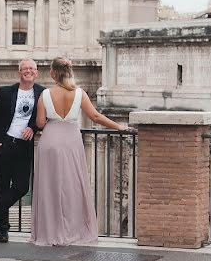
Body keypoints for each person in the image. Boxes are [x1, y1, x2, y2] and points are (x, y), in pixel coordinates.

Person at [30, 57, 134, 246]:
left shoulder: (45, 94)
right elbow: (95, 116)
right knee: (72, 186)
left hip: (50, 141)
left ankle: (50, 230)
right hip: (71, 141)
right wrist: (119, 127)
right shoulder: (79, 93)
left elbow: (39, 123)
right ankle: (72, 229)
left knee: (50, 186)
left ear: (53, 73)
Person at [0, 59, 45, 243]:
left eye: (31, 68)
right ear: (19, 73)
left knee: (22, 186)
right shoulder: (5, 92)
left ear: (37, 73)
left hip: (24, 145)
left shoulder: (42, 93)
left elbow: (43, 118)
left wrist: (33, 128)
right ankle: (2, 229)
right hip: (4, 144)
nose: (28, 71)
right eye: (25, 69)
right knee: (2, 187)